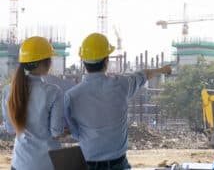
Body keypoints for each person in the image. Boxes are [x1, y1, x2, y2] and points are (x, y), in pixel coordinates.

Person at [65, 33, 171, 170]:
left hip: (88, 164)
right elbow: (144, 75)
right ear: (106, 60)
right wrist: (162, 70)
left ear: (83, 61)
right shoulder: (122, 84)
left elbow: (74, 131)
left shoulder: (71, 96)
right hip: (119, 165)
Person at [8, 36, 65, 170]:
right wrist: (64, 131)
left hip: (20, 163)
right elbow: (56, 132)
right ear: (45, 63)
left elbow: (11, 129)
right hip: (46, 164)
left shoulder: (9, 90)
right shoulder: (53, 92)